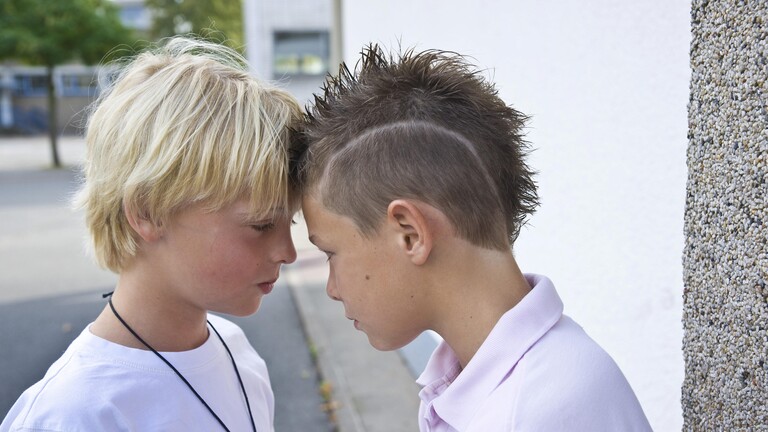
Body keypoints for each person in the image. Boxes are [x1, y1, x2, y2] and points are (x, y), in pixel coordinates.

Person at [295, 45, 653, 431]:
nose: (332, 289)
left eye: (330, 252)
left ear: (410, 234)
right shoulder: (529, 371)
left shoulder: (528, 414)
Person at [1, 37, 302, 432]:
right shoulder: (74, 415)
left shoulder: (237, 353)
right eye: (261, 225)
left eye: (289, 223)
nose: (288, 252)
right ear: (148, 212)